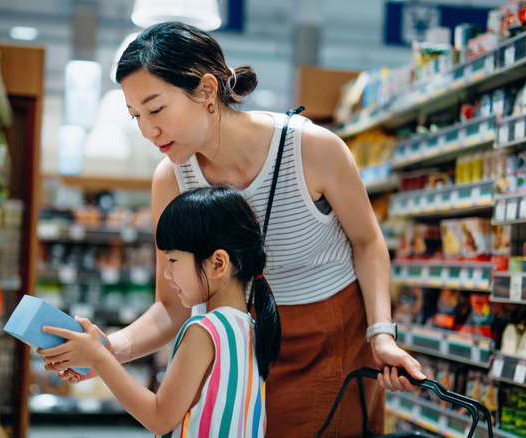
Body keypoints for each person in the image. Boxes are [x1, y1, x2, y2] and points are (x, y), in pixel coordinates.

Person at [43, 21, 425, 437]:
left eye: (155, 109)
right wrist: (109, 348)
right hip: (241, 342)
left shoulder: (313, 148)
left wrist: (381, 334)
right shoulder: (171, 179)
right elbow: (171, 305)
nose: (147, 130)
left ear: (207, 90)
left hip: (332, 335)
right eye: (135, 115)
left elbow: (368, 243)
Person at [39, 187, 280, 437]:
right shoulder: (250, 326)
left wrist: (101, 358)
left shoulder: (204, 331)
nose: (166, 274)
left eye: (173, 261)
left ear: (218, 263)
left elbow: (159, 417)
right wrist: (102, 356)